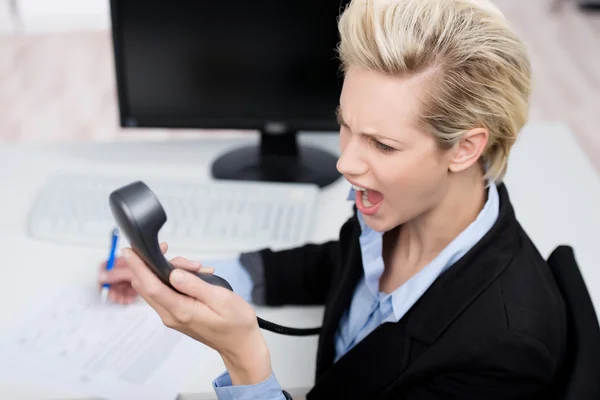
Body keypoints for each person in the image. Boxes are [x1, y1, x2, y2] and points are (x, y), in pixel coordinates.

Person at [98, 0, 567, 398]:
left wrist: (244, 362)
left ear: (465, 148)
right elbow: (339, 265)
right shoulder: (401, 207)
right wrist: (203, 278)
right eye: (345, 124)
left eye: (382, 144)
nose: (346, 163)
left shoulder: (501, 353)